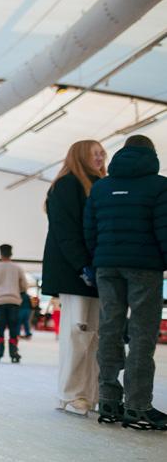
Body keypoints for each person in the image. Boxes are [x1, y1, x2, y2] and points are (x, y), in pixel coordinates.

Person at [84, 135, 167, 430]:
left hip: (106, 266)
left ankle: (108, 400)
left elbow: (89, 229)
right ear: (152, 154)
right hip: (144, 268)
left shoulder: (101, 187)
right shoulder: (160, 186)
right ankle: (137, 406)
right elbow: (164, 227)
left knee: (110, 330)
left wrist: (99, 258)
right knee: (142, 335)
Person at [42, 140, 106, 416]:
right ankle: (70, 393)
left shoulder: (101, 186)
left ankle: (89, 393)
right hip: (75, 272)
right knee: (77, 332)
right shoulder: (67, 185)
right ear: (80, 155)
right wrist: (82, 265)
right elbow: (66, 230)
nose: (101, 157)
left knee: (95, 336)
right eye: (95, 153)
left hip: (97, 269)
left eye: (103, 153)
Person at [0, 244, 28, 363]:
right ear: (11, 254)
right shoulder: (17, 268)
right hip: (14, 301)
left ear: (0, 254)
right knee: (13, 326)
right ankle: (13, 352)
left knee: (0, 325)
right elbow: (24, 285)